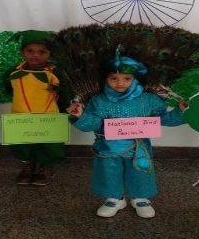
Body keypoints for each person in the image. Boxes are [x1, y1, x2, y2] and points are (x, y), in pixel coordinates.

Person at [66, 52, 187, 218]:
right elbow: (94, 123)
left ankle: (140, 198)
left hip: (138, 147)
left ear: (135, 78)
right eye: (113, 78)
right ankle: (115, 198)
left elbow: (163, 118)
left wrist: (180, 111)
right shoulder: (99, 101)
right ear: (106, 79)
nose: (120, 83)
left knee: (139, 171)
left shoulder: (148, 100)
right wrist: (81, 115)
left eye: (127, 78)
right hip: (108, 147)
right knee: (109, 172)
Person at [4, 30, 72, 186]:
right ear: (22, 52)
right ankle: (27, 165)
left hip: (47, 116)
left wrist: (64, 109)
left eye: (42, 52)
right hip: (21, 115)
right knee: (23, 142)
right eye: (30, 51)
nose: (35, 55)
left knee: (48, 143)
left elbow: (65, 92)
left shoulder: (56, 73)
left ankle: (45, 166)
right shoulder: (13, 72)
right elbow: (9, 88)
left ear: (50, 53)